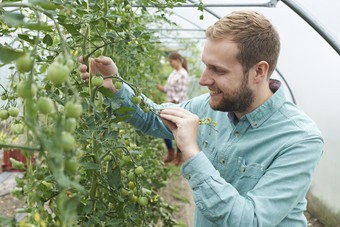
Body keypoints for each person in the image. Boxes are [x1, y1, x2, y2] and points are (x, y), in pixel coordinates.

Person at [78, 10, 323, 226]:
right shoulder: (207, 107)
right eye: (206, 65)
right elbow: (153, 118)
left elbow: (251, 220)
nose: (203, 80)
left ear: (259, 71)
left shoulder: (299, 139)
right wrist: (116, 86)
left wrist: (192, 152)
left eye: (218, 70)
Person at [156, 52, 189, 165]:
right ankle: (171, 154)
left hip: (178, 107)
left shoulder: (183, 74)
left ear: (178, 60)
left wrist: (169, 102)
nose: (170, 63)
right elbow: (168, 90)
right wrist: (158, 86)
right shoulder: (174, 73)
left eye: (171, 61)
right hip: (170, 105)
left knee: (178, 131)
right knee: (165, 128)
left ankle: (178, 157)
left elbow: (181, 94)